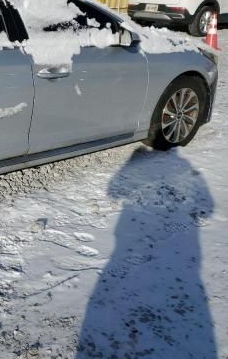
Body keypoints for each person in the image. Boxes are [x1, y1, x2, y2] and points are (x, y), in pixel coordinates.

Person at [77, 147, 216, 358]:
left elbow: (113, 190)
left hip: (131, 238)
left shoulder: (182, 170)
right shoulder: (186, 169)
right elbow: (209, 206)